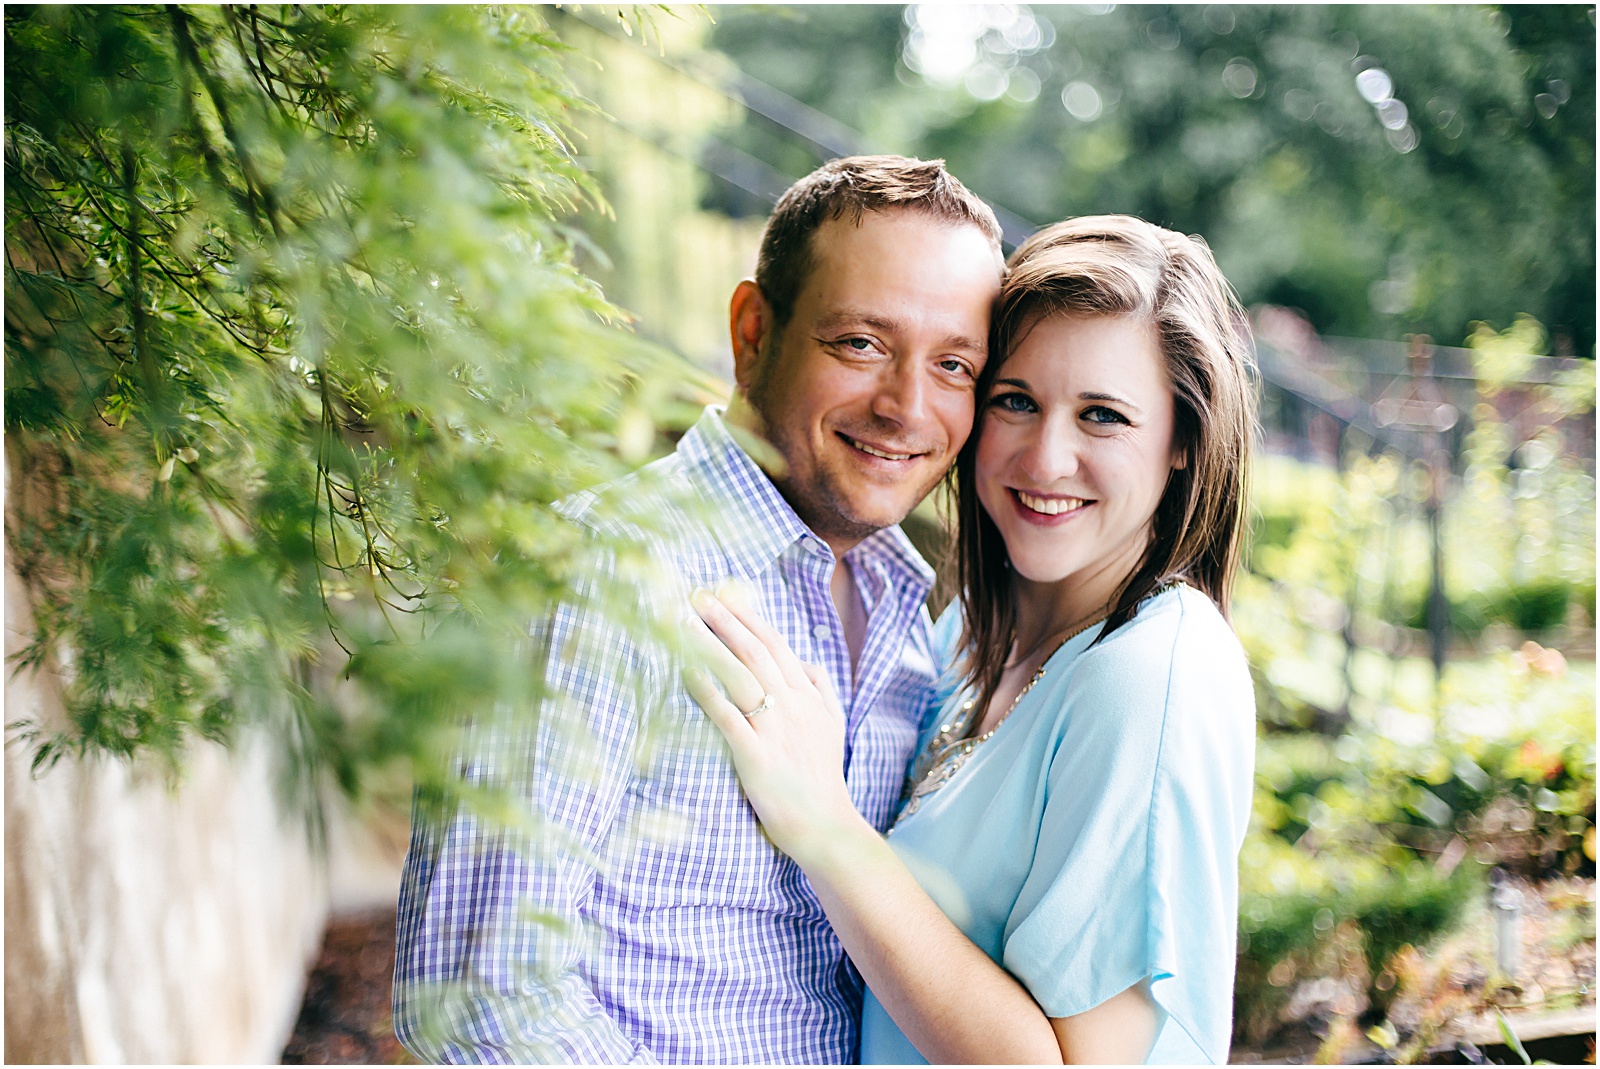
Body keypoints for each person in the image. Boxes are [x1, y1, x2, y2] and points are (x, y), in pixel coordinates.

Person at [392, 155, 1006, 1063]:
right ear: (753, 332)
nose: (905, 407)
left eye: (954, 364)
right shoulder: (597, 571)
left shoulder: (908, 623)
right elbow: (482, 998)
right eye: (861, 344)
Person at [686, 215, 1258, 1064]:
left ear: (1181, 440)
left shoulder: (1147, 676)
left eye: (1102, 415)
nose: (1044, 456)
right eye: (1015, 400)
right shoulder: (967, 634)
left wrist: (824, 824)